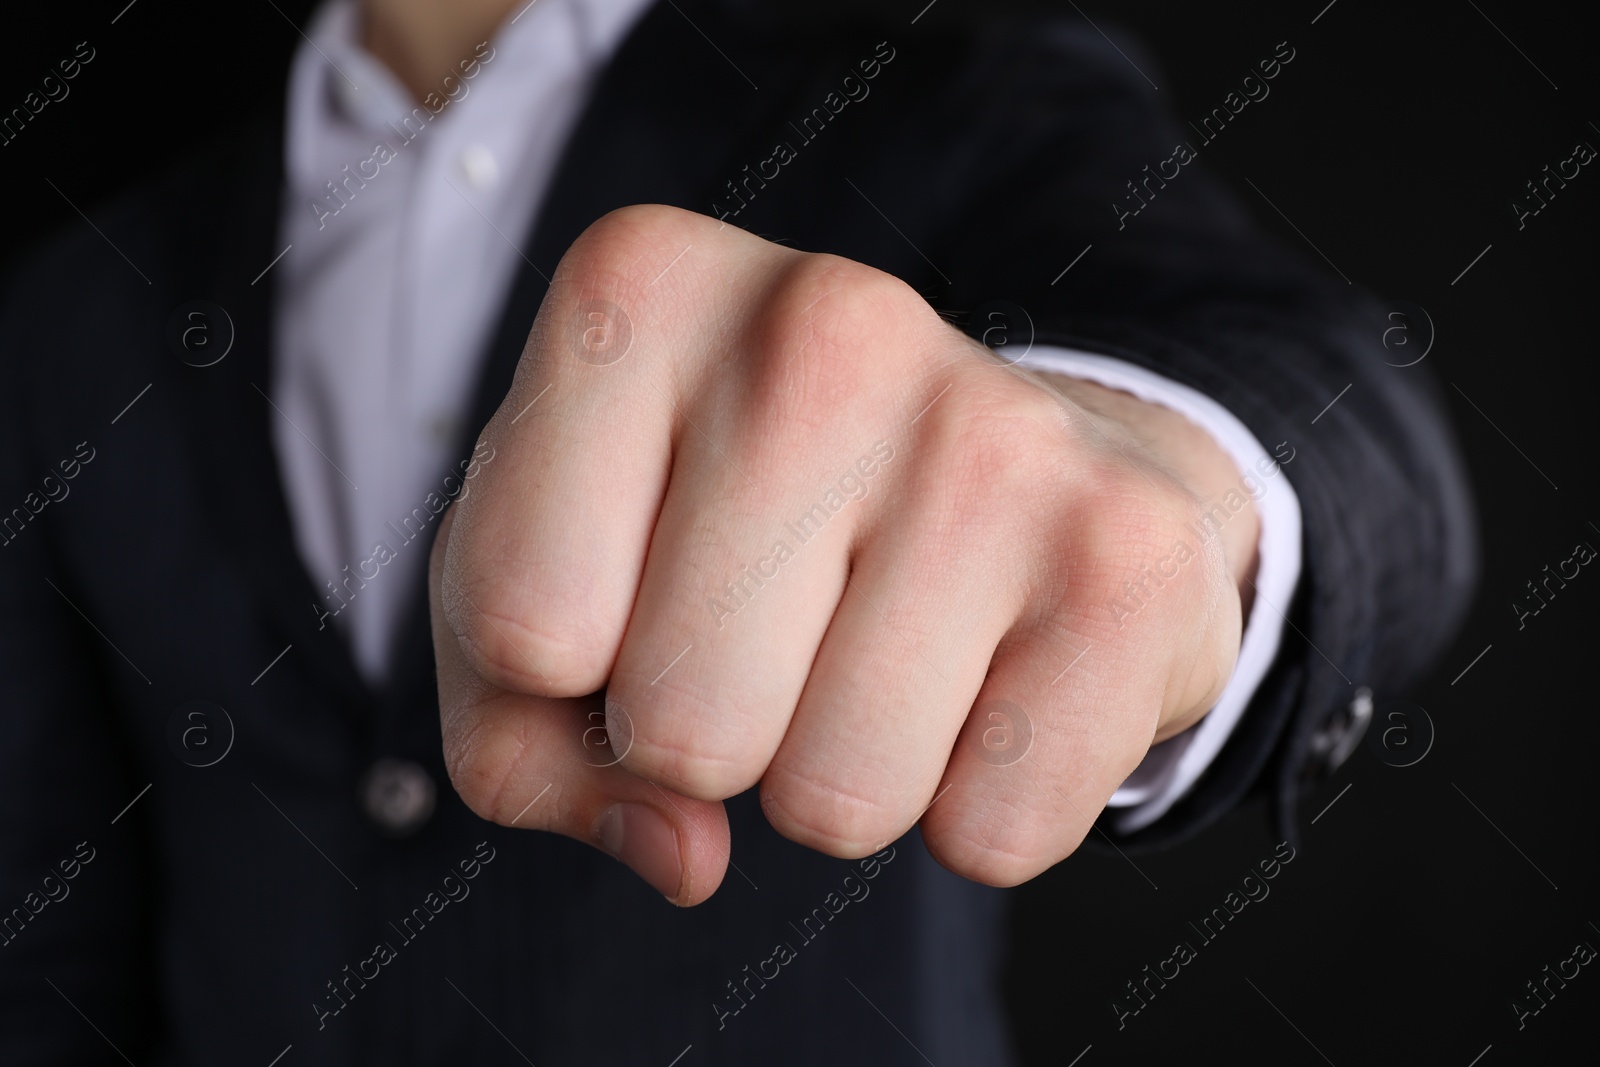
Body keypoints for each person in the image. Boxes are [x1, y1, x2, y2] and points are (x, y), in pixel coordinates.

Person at [0, 0, 1476, 1062]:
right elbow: (53, 945)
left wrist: (1156, 468)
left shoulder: (937, 83)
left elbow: (1330, 398)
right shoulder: (83, 292)